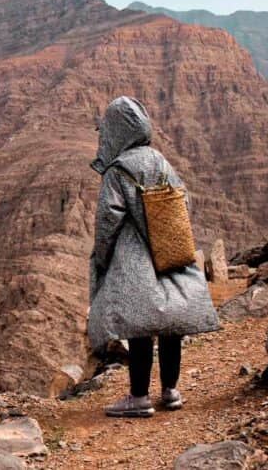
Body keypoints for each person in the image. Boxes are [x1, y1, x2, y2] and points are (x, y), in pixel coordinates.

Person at [88, 96, 220, 417]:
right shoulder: (161, 161)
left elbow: (109, 218)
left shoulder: (118, 170)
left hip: (135, 258)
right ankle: (171, 390)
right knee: (170, 322)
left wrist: (101, 259)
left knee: (141, 325)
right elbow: (182, 204)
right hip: (170, 249)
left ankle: (138, 397)